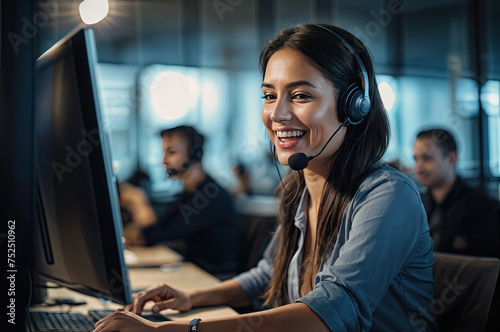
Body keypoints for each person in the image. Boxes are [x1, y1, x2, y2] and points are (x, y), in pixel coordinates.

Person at [93, 24, 437, 332]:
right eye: (270, 95)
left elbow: (330, 313)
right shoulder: (300, 189)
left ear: (354, 106)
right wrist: (191, 297)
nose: (277, 114)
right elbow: (270, 271)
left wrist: (175, 331)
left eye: (300, 95)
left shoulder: (388, 196)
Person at [122, 125, 241, 274]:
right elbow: (161, 230)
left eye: (171, 152)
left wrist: (137, 199)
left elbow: (153, 237)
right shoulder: (189, 192)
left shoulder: (209, 195)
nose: (163, 161)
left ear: (195, 154)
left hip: (213, 278)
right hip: (194, 272)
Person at [413, 128, 499, 257]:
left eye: (427, 158)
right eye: (416, 159)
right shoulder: (416, 205)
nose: (418, 168)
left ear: (451, 159)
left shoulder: (481, 209)